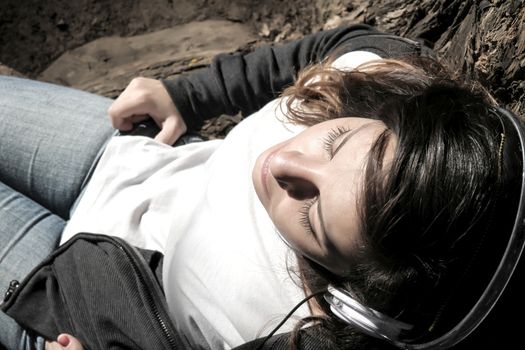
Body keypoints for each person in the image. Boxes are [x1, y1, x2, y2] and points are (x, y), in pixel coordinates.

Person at [0, 23, 522, 350]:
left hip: (58, 300)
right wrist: (190, 94)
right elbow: (334, 43)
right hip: (120, 153)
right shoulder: (386, 79)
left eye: (312, 214)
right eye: (335, 141)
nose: (283, 164)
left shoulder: (311, 336)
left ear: (352, 293)